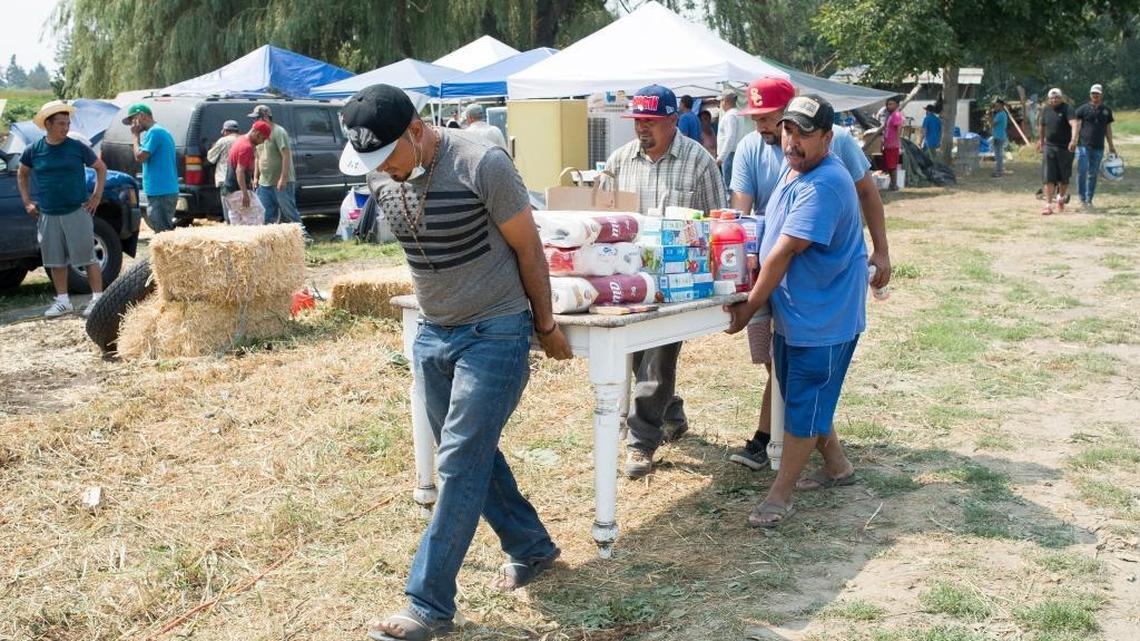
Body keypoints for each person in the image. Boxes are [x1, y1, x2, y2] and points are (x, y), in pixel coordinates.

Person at [337, 84, 571, 641]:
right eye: (371, 162)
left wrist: (546, 325)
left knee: (459, 464)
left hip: (495, 331)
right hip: (433, 334)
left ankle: (427, 604)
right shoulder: (381, 172)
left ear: (417, 131)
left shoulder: (482, 164)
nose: (383, 172)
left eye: (388, 156)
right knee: (469, 458)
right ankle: (532, 547)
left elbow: (530, 250)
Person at [728, 76, 891, 471]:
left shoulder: (825, 175)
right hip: (789, 296)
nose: (782, 135)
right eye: (780, 127)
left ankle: (781, 492)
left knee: (804, 388)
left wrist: (749, 306)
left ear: (826, 137)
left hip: (819, 301)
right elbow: (749, 219)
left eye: (778, 121)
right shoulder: (788, 163)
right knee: (797, 384)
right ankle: (836, 465)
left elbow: (785, 249)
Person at [604, 84, 726, 479]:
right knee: (639, 354)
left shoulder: (699, 162)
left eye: (651, 122)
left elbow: (719, 221)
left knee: (656, 354)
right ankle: (669, 410)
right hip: (628, 276)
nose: (643, 128)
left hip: (678, 281)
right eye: (638, 121)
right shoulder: (619, 162)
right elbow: (605, 221)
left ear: (674, 121)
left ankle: (640, 440)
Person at [17, 100, 107, 318]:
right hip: (47, 213)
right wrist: (27, 201)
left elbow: (100, 168)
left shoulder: (77, 147)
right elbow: (22, 174)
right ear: (47, 124)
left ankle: (97, 299)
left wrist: (96, 196)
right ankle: (63, 301)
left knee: (87, 258)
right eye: (60, 124)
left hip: (77, 211)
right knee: (55, 260)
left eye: (67, 124)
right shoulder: (33, 150)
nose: (65, 128)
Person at [248, 105, 308, 237]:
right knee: (264, 214)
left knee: (289, 213)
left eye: (256, 118)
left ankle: (304, 239)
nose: (254, 122)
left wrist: (283, 178)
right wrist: (256, 177)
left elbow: (286, 155)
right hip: (264, 182)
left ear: (265, 117)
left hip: (280, 182)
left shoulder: (279, 132)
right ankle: (268, 242)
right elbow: (258, 157)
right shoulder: (258, 133)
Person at [123, 103, 178, 233]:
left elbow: (140, 156)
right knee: (162, 231)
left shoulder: (155, 132)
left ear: (141, 115)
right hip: (162, 191)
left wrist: (135, 136)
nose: (132, 125)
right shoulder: (158, 131)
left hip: (161, 192)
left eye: (133, 120)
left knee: (162, 233)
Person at [1074, 83, 1117, 209]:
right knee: (1082, 171)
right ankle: (1081, 198)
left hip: (1098, 146)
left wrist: (1111, 145)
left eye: (1097, 93)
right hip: (1083, 145)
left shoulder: (1106, 110)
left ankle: (1089, 199)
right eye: (1093, 93)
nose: (1095, 95)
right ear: (1090, 94)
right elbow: (1076, 124)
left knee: (1093, 174)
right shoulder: (1083, 109)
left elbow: (1108, 128)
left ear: (1101, 94)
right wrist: (1073, 139)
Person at [1036, 88, 1079, 215]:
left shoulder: (1068, 109)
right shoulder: (1046, 109)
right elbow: (1042, 126)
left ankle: (1060, 198)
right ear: (1049, 99)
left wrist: (1073, 140)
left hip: (1065, 148)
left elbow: (1075, 124)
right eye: (1052, 98)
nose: (1054, 99)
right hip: (1049, 147)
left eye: (1057, 97)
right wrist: (1041, 141)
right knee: (1048, 176)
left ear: (1061, 98)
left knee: (1064, 177)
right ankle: (1048, 205)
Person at [225, 121, 272, 225]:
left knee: (238, 220)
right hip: (238, 191)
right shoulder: (246, 147)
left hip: (230, 190)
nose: (263, 142)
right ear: (257, 133)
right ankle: (255, 240)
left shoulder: (240, 139)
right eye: (263, 138)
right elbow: (239, 171)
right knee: (258, 213)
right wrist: (245, 194)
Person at [206, 119, 241, 223]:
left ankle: (229, 225)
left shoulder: (223, 141)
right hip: (241, 178)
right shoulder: (242, 139)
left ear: (225, 131)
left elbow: (210, 158)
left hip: (225, 178)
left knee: (228, 209)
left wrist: (213, 146)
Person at [716, 89, 743, 189]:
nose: (721, 103)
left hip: (729, 155)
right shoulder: (738, 114)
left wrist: (721, 158)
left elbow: (729, 138)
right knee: (733, 185)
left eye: (721, 101)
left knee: (728, 187)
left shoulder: (730, 116)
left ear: (725, 101)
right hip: (733, 153)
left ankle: (730, 204)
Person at [881, 96, 904, 191]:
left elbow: (899, 129)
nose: (888, 106)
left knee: (892, 166)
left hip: (893, 144)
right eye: (888, 104)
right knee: (889, 166)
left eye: (891, 104)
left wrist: (898, 142)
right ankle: (892, 184)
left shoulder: (897, 115)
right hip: (888, 144)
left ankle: (894, 185)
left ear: (897, 105)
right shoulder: (890, 115)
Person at [990, 99, 1009, 178]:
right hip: (1000, 136)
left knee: (998, 155)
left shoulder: (1000, 114)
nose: (995, 107)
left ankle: (999, 172)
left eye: (997, 106)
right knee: (999, 155)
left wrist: (990, 116)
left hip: (998, 136)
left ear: (1001, 106)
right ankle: (999, 170)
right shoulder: (1003, 114)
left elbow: (993, 124)